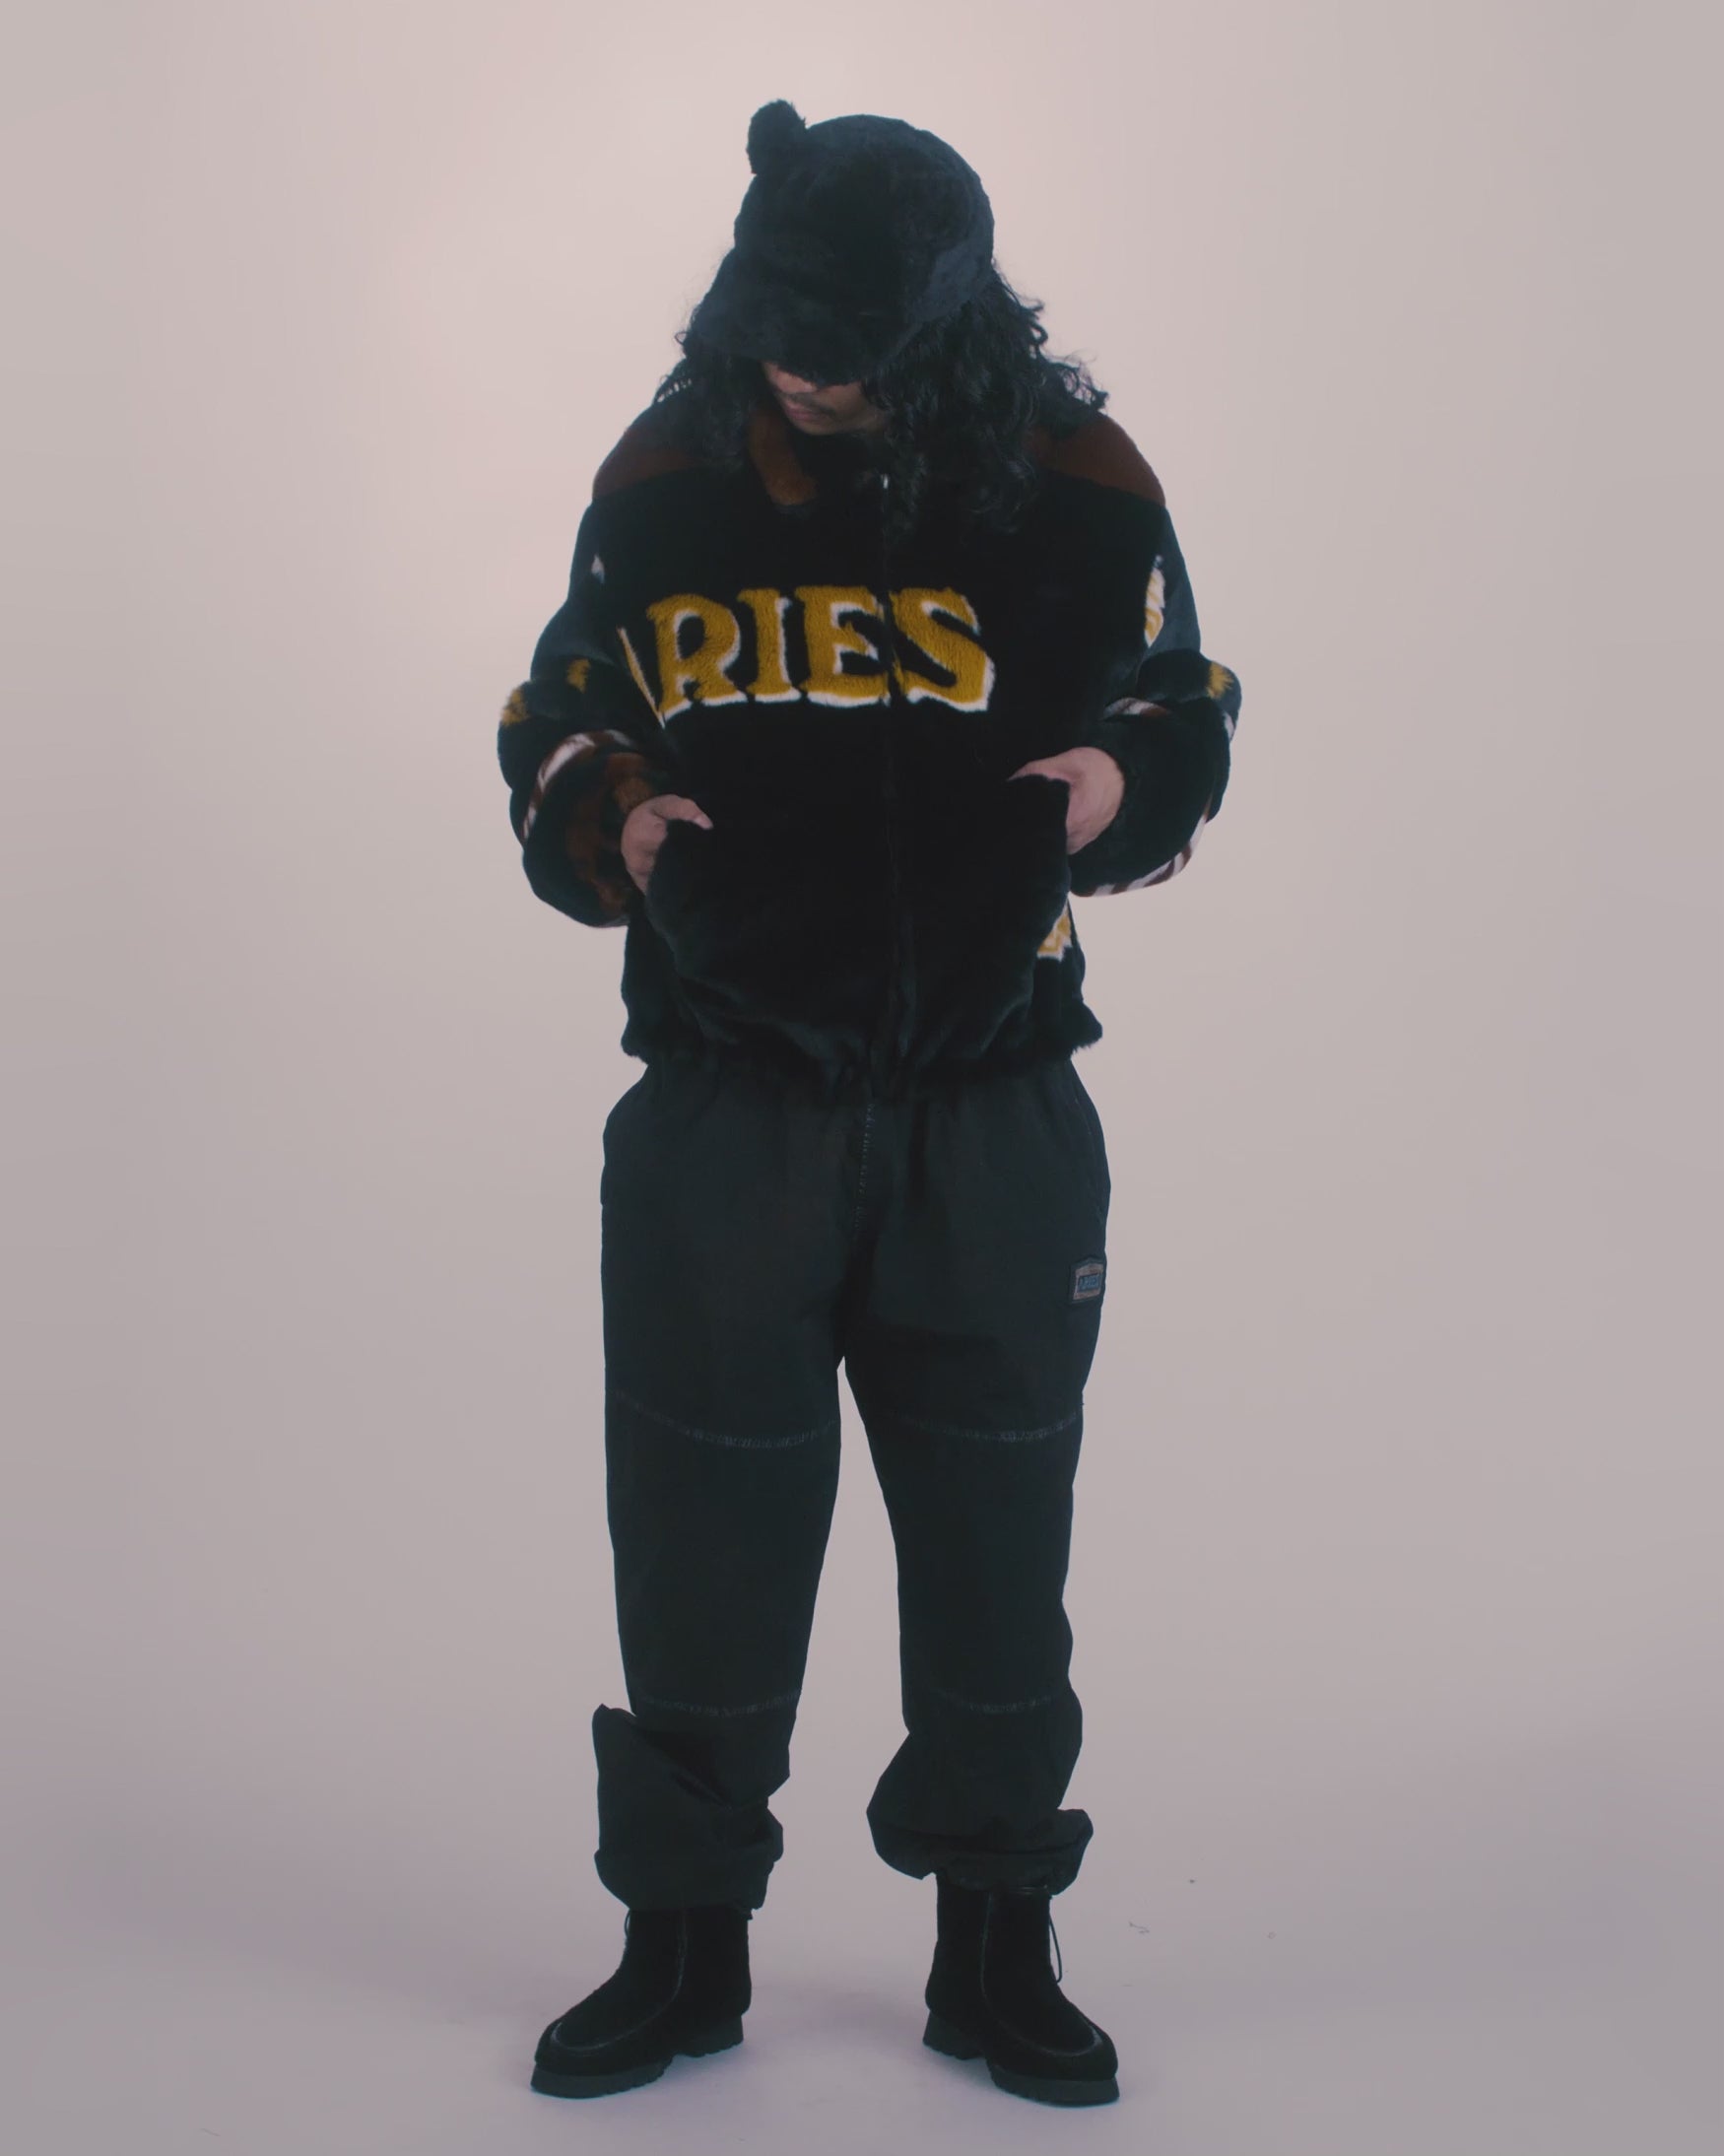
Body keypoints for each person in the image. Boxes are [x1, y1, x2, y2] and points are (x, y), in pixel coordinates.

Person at [496, 98, 1242, 2110]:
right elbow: (556, 702)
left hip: (991, 1108)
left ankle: (996, 1940)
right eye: (771, 331)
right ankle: (682, 1943)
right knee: (699, 1542)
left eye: (836, 345)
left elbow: (1182, 694)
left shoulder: (1077, 484)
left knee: (997, 1546)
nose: (795, 373)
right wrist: (609, 812)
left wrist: (1122, 783)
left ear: (943, 321)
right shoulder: (665, 474)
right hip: (725, 1101)